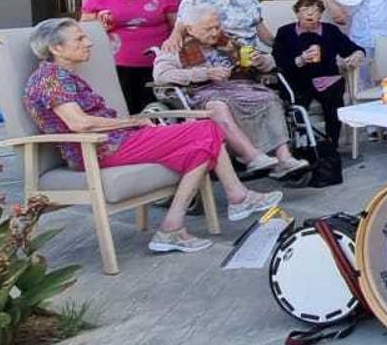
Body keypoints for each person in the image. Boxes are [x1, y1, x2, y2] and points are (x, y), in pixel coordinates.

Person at [23, 18, 282, 254]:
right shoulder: (51, 79)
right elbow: (79, 123)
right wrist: (130, 122)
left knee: (200, 148)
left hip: (115, 142)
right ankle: (237, 198)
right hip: (99, 149)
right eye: (79, 38)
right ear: (56, 48)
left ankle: (172, 227)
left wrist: (133, 125)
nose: (88, 41)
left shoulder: (62, 76)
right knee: (206, 128)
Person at [153, 4, 312, 178]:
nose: (215, 32)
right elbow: (161, 75)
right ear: (190, 29)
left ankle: (284, 158)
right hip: (203, 91)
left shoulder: (229, 42)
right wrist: (204, 73)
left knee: (269, 98)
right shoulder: (175, 47)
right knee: (218, 106)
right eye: (208, 29)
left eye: (217, 26)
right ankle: (252, 156)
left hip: (240, 87)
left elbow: (270, 63)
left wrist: (260, 61)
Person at [273, 0, 365, 188]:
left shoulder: (330, 31)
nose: (310, 14)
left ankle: (331, 146)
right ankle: (302, 149)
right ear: (297, 13)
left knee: (333, 99)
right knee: (297, 106)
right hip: (298, 81)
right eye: (305, 10)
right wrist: (301, 60)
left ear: (321, 15)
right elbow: (279, 64)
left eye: (315, 11)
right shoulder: (285, 33)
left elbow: (354, 49)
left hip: (328, 80)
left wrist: (356, 55)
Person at [80, 0, 178, 113]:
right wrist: (99, 22)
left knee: (157, 110)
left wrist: (174, 42)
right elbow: (83, 26)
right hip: (118, 64)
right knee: (125, 109)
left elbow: (176, 25)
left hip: (157, 63)